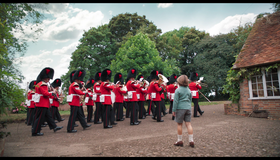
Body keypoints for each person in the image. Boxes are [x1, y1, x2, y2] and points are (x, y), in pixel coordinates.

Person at [32, 67, 63, 136]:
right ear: (45, 78)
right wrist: (52, 92)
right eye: (48, 78)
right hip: (42, 103)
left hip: (43, 103)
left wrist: (51, 92)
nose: (49, 79)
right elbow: (45, 94)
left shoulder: (39, 83)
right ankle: (35, 131)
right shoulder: (43, 84)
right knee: (39, 118)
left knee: (49, 117)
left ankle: (54, 127)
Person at [172, 75, 194, 147]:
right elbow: (190, 99)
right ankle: (191, 140)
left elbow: (175, 101)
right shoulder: (188, 89)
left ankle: (179, 140)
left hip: (180, 108)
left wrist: (174, 110)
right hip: (188, 107)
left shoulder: (177, 90)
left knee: (179, 124)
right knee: (188, 124)